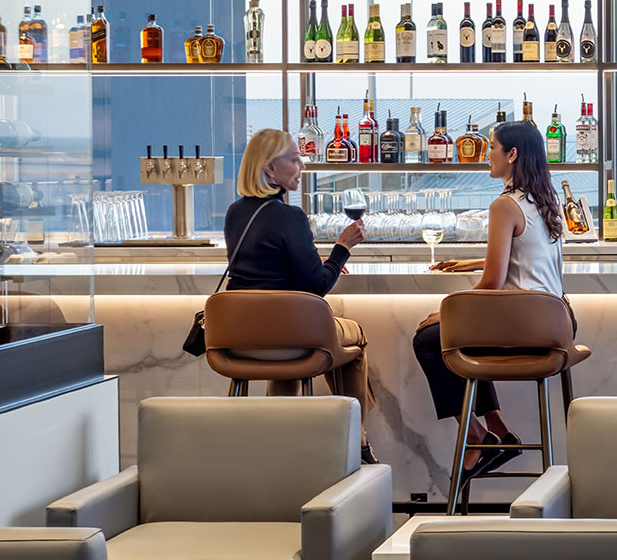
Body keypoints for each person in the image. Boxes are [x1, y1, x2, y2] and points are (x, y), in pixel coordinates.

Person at [412, 119, 568, 487]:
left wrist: (447, 311)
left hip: (523, 327)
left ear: (512, 154)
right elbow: (526, 256)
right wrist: (475, 259)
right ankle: (497, 433)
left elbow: (493, 283)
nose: (487, 156)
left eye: (492, 148)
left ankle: (480, 438)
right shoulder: (546, 200)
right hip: (556, 323)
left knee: (430, 338)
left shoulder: (504, 205)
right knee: (457, 338)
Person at [223, 128, 378, 461]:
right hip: (288, 334)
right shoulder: (290, 217)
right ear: (269, 169)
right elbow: (316, 285)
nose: (302, 166)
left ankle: (281, 442)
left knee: (286, 352)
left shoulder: (235, 213)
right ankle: (357, 435)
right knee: (356, 338)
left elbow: (265, 268)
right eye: (294, 159)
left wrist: (317, 261)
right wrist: (342, 247)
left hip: (239, 337)